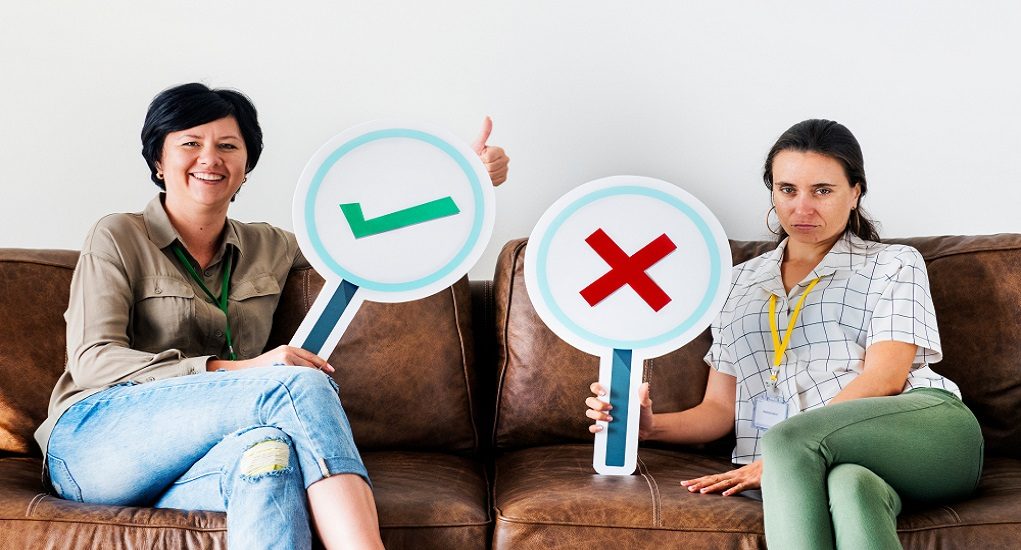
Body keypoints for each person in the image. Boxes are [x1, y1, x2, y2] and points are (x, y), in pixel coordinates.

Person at [36, 82, 510, 550]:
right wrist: (244, 371)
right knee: (297, 381)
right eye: (189, 144)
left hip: (202, 459)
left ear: (246, 168)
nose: (210, 158)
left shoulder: (271, 245)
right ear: (159, 161)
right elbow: (94, 361)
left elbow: (374, 231)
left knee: (268, 456)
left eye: (227, 145)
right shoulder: (117, 235)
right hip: (96, 443)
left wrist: (462, 178)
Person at [585, 119, 982, 549]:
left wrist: (781, 453)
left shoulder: (893, 264)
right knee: (852, 487)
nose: (802, 208)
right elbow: (720, 408)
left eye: (823, 190)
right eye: (788, 190)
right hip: (825, 465)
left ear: (855, 193)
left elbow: (883, 379)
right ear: (772, 192)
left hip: (926, 430)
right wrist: (648, 428)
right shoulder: (736, 283)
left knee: (788, 441)